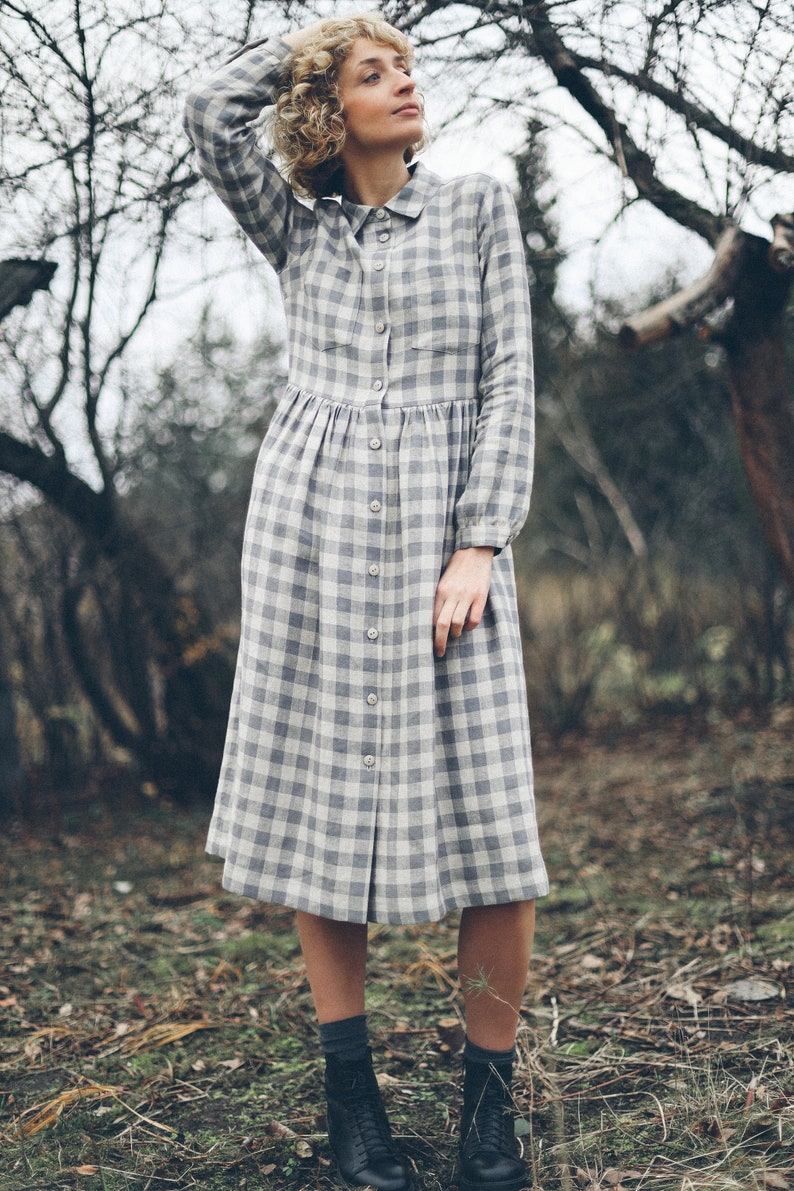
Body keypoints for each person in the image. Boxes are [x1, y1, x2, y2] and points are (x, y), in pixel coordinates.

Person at [184, 13, 548, 1191]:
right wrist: (317, 37)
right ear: (325, 105)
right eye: (372, 74)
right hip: (315, 531)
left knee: (495, 834)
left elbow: (508, 381)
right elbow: (204, 111)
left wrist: (479, 541)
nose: (403, 84)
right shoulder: (294, 221)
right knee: (325, 820)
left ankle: (485, 1110)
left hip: (451, 532)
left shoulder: (478, 205)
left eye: (406, 68)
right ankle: (356, 1108)